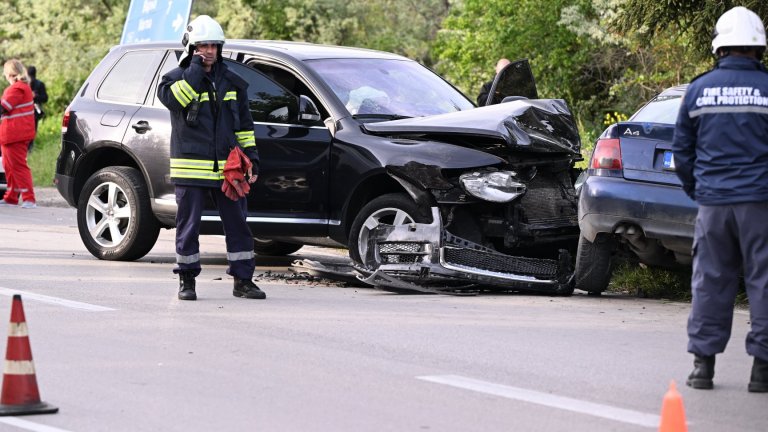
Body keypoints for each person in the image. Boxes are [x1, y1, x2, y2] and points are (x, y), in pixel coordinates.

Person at [672, 6, 768, 393]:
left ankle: (702, 368)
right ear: (758, 48)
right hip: (760, 203)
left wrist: (702, 191)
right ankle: (762, 372)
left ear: (720, 48)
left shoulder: (699, 89)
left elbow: (682, 151)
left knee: (710, 281)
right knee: (764, 282)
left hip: (713, 204)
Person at [157, 15, 266, 301]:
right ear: (191, 47)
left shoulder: (232, 82)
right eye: (202, 46)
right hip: (191, 169)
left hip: (227, 170)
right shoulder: (174, 79)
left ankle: (243, 281)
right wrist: (195, 68)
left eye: (213, 46)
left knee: (238, 226)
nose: (208, 51)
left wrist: (251, 157)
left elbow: (244, 125)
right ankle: (187, 281)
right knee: (188, 228)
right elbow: (174, 102)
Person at [0, 59, 37, 209]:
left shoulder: (17, 89)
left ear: (9, 73)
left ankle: (29, 198)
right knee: (9, 167)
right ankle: (11, 197)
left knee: (18, 166)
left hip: (16, 134)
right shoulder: (21, 88)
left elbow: (3, 107)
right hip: (10, 134)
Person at [27, 66, 47, 151]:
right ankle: (28, 148)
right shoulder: (25, 84)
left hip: (34, 111)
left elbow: (45, 98)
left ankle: (30, 148)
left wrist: (35, 96)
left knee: (32, 131)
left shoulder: (39, 84)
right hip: (26, 111)